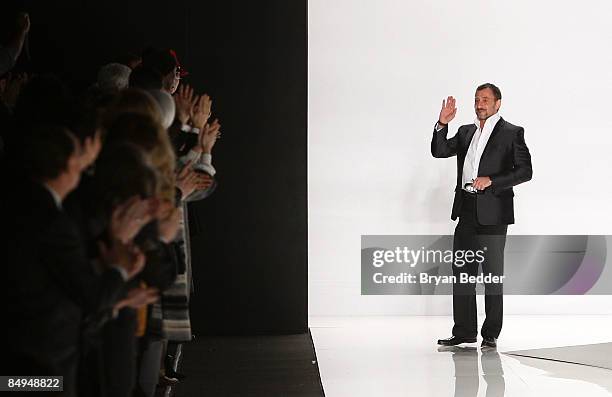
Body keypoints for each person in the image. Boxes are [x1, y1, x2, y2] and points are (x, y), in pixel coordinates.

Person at [431, 83, 532, 348]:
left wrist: (492, 180)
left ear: (498, 103)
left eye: (486, 99)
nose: (480, 104)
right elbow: (439, 151)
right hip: (466, 210)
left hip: (493, 214)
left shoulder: (512, 132)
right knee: (462, 273)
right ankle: (464, 331)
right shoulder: (466, 132)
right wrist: (442, 124)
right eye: (477, 99)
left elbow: (525, 171)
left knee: (491, 275)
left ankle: (490, 334)